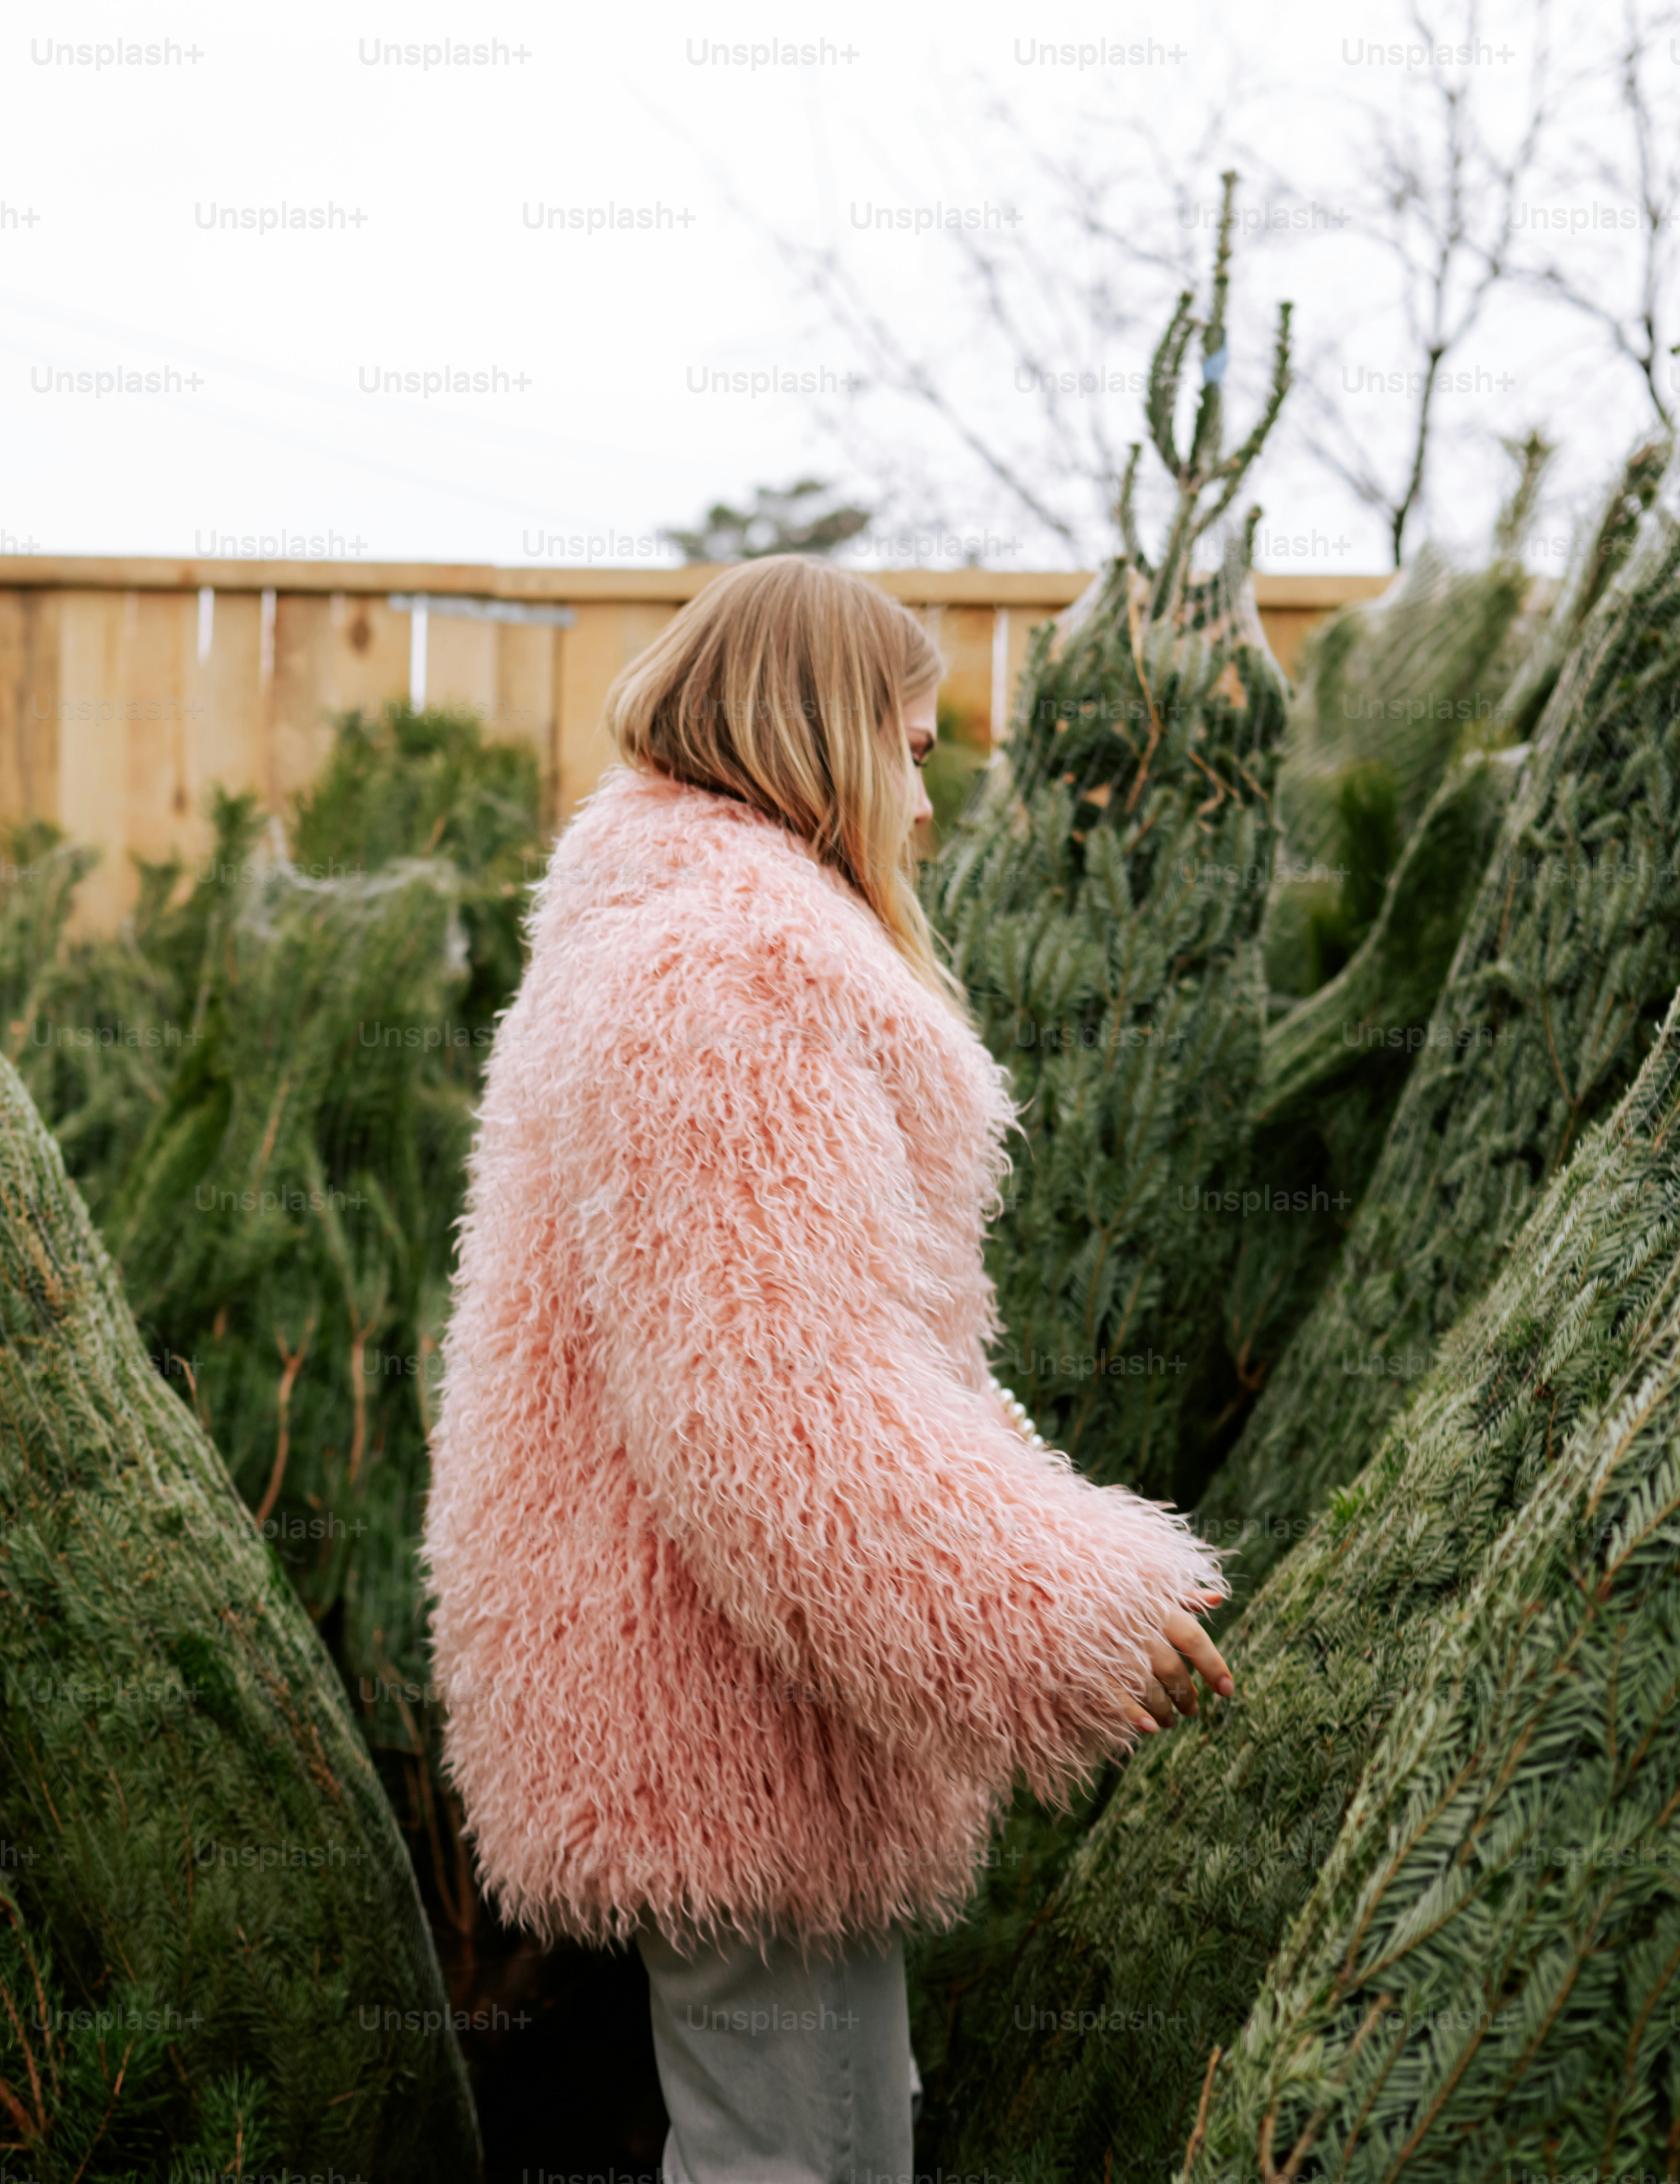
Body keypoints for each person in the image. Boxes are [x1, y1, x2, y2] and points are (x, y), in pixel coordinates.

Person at [422, 554, 1236, 2179]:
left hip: (717, 1680)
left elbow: (859, 1345)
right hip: (727, 1695)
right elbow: (779, 1413)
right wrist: (1074, 1604)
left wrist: (1062, 1546)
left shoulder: (666, 928)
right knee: (800, 2152)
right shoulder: (725, 969)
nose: (928, 808)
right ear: (823, 736)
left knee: (802, 2133)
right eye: (917, 753)